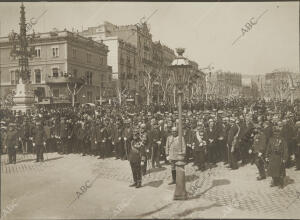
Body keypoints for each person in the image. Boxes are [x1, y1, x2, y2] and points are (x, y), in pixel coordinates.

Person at [266, 122, 288, 188]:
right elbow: (268, 148)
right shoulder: (271, 139)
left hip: (279, 157)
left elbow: (285, 149)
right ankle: (275, 182)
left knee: (280, 171)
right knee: (273, 170)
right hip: (272, 157)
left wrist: (284, 158)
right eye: (275, 132)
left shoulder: (282, 140)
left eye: (277, 132)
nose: (276, 134)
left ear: (279, 132)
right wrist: (266, 156)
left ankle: (281, 184)